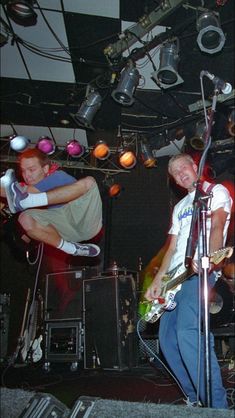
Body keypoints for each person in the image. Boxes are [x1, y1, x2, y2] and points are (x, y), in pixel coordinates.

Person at [144, 153, 233, 409]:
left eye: (184, 167)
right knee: (168, 341)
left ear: (196, 167)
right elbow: (171, 249)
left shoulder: (214, 192)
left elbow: (217, 226)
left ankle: (217, 407)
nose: (180, 173)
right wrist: (158, 280)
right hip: (174, 280)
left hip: (199, 272)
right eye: (174, 172)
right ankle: (193, 398)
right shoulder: (180, 207)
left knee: (188, 333)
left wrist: (209, 258)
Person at [0, 148, 103, 258]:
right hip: (64, 228)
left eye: (31, 169)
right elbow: (12, 192)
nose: (27, 175)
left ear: (45, 169)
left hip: (84, 220)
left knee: (89, 182)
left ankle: (26, 201)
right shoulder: (30, 190)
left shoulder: (57, 176)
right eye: (23, 171)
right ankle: (72, 249)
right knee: (25, 218)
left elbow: (16, 192)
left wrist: (13, 193)